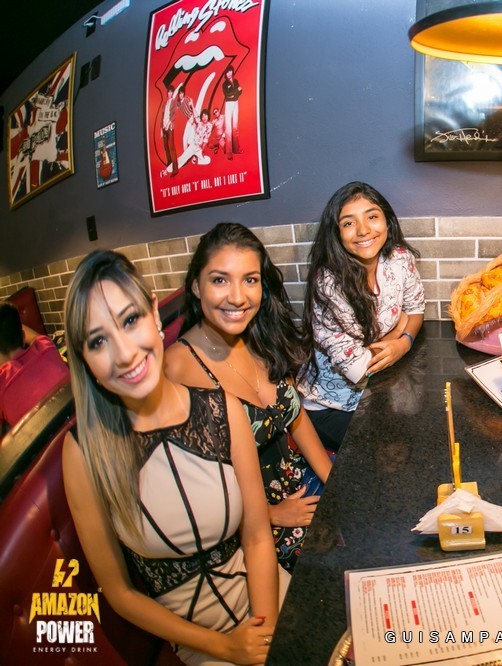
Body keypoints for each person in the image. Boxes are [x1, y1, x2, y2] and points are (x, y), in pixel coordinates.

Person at [61, 250, 284, 665]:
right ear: (85, 360)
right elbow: (120, 593)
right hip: (202, 644)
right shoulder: (84, 451)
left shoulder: (221, 409)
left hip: (268, 600)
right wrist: (226, 648)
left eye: (130, 320)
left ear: (153, 313)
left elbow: (256, 537)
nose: (125, 353)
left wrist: (265, 633)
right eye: (98, 341)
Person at [166, 223, 334, 572]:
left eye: (250, 280)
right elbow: (182, 485)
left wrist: (332, 481)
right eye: (220, 280)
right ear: (196, 285)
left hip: (297, 481)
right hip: (245, 524)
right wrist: (269, 514)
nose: (238, 297)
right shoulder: (175, 369)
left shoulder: (260, 334)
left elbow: (296, 418)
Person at [299, 182, 425, 452]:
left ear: (387, 221)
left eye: (372, 216)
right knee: (376, 454)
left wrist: (403, 341)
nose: (363, 230)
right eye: (348, 223)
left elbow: (415, 310)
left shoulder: (400, 259)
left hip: (378, 391)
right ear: (336, 233)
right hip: (333, 406)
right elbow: (359, 368)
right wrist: (398, 330)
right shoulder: (328, 285)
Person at [0, 302, 69, 432]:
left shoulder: (2, 383)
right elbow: (32, 336)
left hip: (45, 442)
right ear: (23, 336)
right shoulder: (46, 346)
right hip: (78, 423)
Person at [222, 66, 242, 158]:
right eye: (227, 72)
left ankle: (236, 149)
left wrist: (234, 94)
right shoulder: (224, 84)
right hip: (228, 104)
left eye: (230, 71)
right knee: (228, 128)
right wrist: (236, 91)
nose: (229, 74)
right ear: (225, 74)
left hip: (236, 103)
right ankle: (229, 151)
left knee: (235, 127)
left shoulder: (236, 81)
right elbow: (227, 94)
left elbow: (240, 92)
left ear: (232, 72)